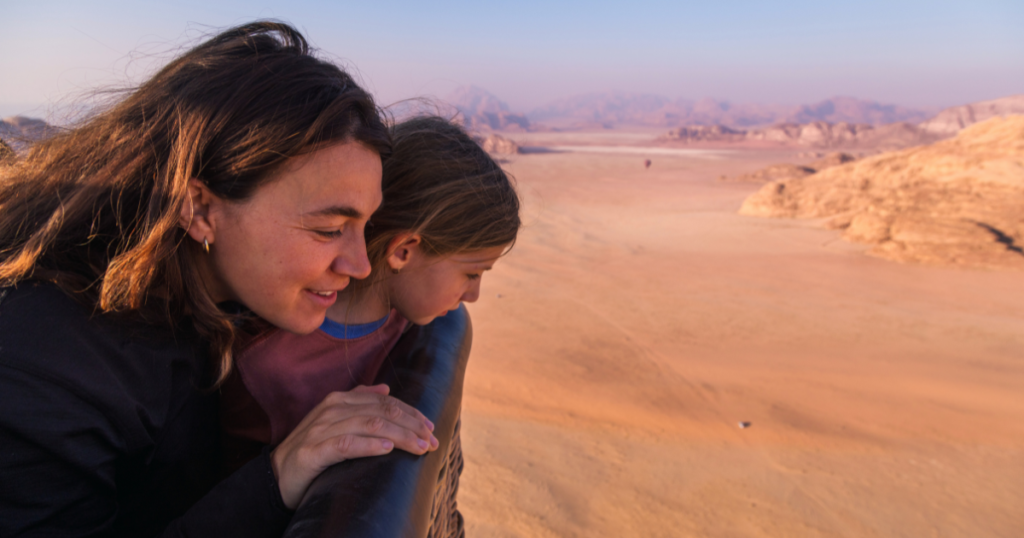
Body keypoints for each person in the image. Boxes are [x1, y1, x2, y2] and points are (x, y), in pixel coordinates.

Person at [0, 22, 437, 537]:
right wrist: (275, 479)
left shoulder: (209, 300)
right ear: (199, 209)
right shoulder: (42, 370)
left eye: (366, 227)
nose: (360, 264)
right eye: (328, 229)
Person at [221, 116, 521, 536]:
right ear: (403, 251)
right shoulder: (270, 366)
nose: (472, 297)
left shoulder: (409, 321)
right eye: (471, 273)